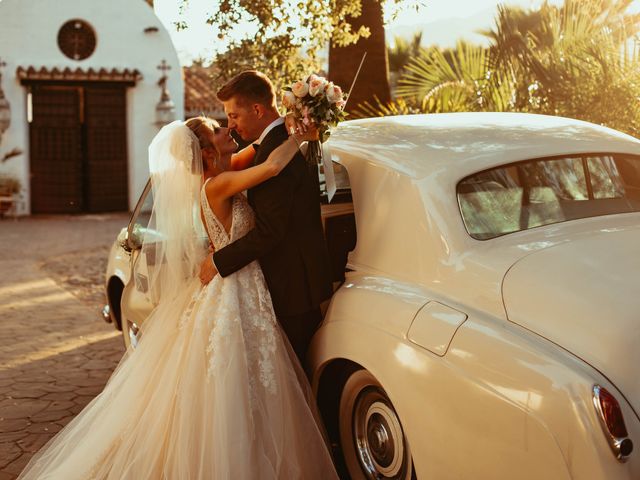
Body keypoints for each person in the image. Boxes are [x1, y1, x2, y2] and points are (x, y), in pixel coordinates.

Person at [17, 118, 338, 479]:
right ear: (205, 151)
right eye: (218, 129)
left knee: (242, 379)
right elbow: (274, 165)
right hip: (235, 287)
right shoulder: (220, 183)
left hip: (240, 284)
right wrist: (302, 134)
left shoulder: (222, 172)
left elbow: (259, 150)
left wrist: (296, 120)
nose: (227, 131)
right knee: (236, 381)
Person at [199, 70, 334, 366]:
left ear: (257, 109)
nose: (230, 125)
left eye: (233, 116)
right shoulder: (276, 141)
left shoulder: (276, 146)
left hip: (292, 289)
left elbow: (270, 230)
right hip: (286, 283)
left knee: (295, 373)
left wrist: (218, 260)